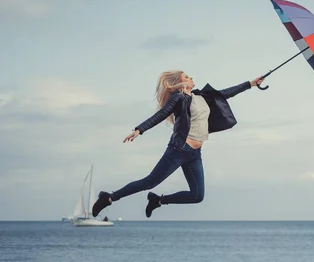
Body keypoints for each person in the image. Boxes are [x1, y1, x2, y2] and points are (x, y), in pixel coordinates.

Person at [91, 70, 264, 218]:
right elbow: (161, 114)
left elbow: (226, 92)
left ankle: (158, 200)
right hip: (179, 149)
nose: (191, 77)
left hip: (195, 154)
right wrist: (139, 130)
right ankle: (109, 197)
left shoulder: (201, 96)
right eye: (186, 77)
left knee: (197, 196)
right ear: (180, 84)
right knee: (149, 182)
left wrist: (251, 83)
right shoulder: (179, 98)